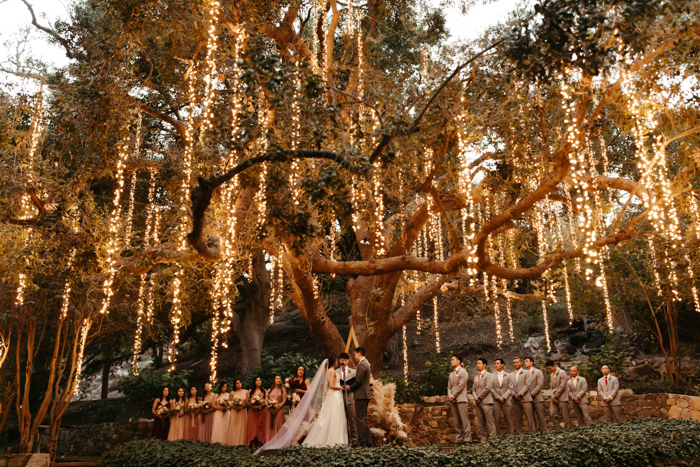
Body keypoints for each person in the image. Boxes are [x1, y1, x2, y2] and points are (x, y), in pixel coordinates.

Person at [256, 357, 347, 453]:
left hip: (305, 404)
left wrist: (299, 391)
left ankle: (302, 440)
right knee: (294, 423)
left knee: (305, 423)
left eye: (303, 370)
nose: (301, 371)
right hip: (295, 404)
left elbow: (310, 392)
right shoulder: (292, 381)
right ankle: (292, 441)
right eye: (299, 370)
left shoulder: (306, 381)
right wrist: (292, 397)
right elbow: (290, 392)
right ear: (297, 371)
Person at [302, 355, 349, 447]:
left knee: (335, 416)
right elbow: (331, 385)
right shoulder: (331, 371)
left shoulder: (331, 371)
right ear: (333, 362)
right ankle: (335, 439)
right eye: (336, 361)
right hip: (335, 396)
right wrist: (341, 388)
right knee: (335, 416)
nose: (337, 362)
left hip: (336, 395)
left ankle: (336, 438)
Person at [348, 347, 373, 448]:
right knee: (363, 419)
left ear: (358, 354)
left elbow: (359, 381)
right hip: (365, 395)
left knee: (360, 420)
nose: (354, 357)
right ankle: (368, 442)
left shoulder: (362, 364)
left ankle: (362, 443)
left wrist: (350, 388)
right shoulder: (366, 363)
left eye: (354, 354)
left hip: (361, 395)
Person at [447, 354, 471, 444]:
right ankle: (459, 438)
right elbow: (449, 387)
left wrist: (453, 396)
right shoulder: (451, 374)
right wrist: (450, 396)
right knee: (456, 421)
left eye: (453, 359)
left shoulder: (463, 372)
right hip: (453, 400)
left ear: (458, 361)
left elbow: (461, 385)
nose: (451, 361)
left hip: (461, 399)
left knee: (464, 420)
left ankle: (467, 439)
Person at [472, 358, 496, 442]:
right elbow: (473, 389)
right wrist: (475, 397)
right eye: (477, 363)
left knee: (490, 423)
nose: (478, 365)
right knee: (481, 423)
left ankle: (493, 440)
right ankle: (483, 441)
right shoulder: (475, 377)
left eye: (479, 363)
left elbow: (488, 388)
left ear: (484, 365)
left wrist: (479, 397)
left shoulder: (488, 375)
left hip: (486, 402)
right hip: (478, 403)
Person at [338, 352, 359, 447]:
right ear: (339, 360)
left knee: (352, 420)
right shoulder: (335, 371)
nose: (344, 362)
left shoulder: (353, 372)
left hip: (350, 398)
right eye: (342, 360)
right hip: (339, 399)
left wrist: (349, 387)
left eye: (345, 360)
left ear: (348, 361)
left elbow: (357, 385)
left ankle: (355, 441)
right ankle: (344, 441)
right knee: (341, 421)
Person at [511, 357, 535, 434]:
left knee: (529, 418)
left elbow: (527, 385)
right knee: (517, 419)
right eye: (514, 362)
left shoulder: (527, 372)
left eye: (517, 362)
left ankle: (533, 435)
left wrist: (520, 394)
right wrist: (514, 395)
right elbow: (509, 386)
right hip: (515, 399)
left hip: (525, 399)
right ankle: (520, 436)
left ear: (521, 363)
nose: (515, 364)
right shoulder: (510, 374)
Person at [546, 360, 572, 430]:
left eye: (550, 368)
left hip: (562, 397)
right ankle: (558, 430)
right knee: (553, 414)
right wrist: (552, 396)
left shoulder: (562, 373)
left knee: (565, 415)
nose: (549, 370)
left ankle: (568, 430)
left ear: (554, 366)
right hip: (554, 398)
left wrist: (555, 396)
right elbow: (551, 387)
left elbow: (563, 386)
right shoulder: (551, 375)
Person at [524, 357, 547, 432]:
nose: (525, 363)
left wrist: (531, 394)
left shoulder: (538, 372)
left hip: (537, 398)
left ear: (531, 362)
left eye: (527, 361)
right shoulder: (524, 373)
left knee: (541, 417)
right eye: (524, 361)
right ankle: (533, 434)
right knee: (531, 417)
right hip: (527, 399)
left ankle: (545, 432)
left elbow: (540, 385)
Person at [491, 358, 513, 435]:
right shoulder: (492, 376)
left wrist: (504, 397)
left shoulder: (508, 375)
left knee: (508, 419)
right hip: (496, 401)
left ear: (502, 365)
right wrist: (497, 397)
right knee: (496, 419)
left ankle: (510, 435)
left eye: (498, 363)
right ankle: (497, 436)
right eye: (495, 363)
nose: (496, 365)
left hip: (506, 400)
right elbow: (491, 388)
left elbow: (510, 388)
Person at [227, 379, 249, 446]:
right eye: (237, 383)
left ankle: (243, 442)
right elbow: (229, 403)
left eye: (240, 382)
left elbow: (247, 403)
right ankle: (233, 443)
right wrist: (235, 407)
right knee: (234, 425)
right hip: (234, 411)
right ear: (234, 384)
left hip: (242, 411)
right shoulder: (232, 393)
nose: (239, 384)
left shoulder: (246, 392)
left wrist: (241, 407)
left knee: (242, 426)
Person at [246, 377, 266, 448]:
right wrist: (252, 405)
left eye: (260, 380)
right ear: (254, 382)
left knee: (260, 428)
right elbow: (247, 402)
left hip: (261, 411)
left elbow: (266, 402)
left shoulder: (264, 391)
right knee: (253, 427)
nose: (258, 382)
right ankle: (253, 444)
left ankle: (259, 444)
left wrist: (261, 405)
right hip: (252, 411)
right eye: (257, 380)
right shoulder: (250, 391)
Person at [266, 376, 287, 442]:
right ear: (274, 380)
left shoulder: (283, 389)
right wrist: (269, 407)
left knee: (278, 425)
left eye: (280, 379)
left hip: (279, 409)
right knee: (271, 426)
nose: (278, 380)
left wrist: (277, 408)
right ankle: (270, 442)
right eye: (277, 379)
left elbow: (284, 401)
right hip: (270, 410)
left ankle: (278, 442)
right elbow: (266, 400)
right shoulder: (269, 390)